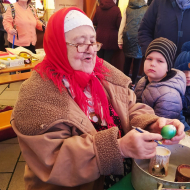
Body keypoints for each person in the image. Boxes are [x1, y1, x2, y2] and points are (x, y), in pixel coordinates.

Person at [11, 7, 185, 190]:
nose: (91, 50)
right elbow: (53, 160)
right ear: (58, 46)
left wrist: (153, 123)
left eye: (93, 42)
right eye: (80, 43)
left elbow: (129, 107)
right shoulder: (37, 95)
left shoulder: (101, 74)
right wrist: (119, 148)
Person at [134, 37, 186, 121]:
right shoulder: (143, 80)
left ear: (168, 67)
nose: (152, 64)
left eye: (160, 61)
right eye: (149, 59)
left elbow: (162, 127)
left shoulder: (169, 96)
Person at [118, 0, 147, 90]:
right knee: (137, 63)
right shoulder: (147, 9)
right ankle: (133, 84)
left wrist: (120, 41)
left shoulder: (127, 8)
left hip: (128, 37)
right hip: (139, 38)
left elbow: (122, 25)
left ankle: (125, 83)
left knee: (127, 61)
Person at [174, 41, 190, 131]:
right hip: (180, 129)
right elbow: (177, 115)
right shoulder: (175, 90)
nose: (188, 75)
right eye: (184, 72)